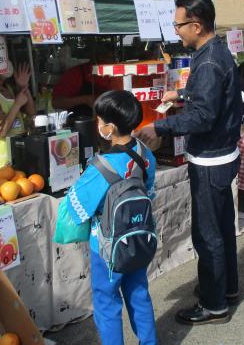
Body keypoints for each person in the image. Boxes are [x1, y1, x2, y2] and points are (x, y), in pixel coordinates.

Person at [136, 0, 242, 325]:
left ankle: (213, 304)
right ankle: (226, 288)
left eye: (179, 24)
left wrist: (160, 126)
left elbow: (203, 117)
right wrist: (180, 94)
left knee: (207, 233)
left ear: (196, 25)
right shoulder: (214, 52)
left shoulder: (208, 61)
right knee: (222, 228)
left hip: (211, 160)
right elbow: (213, 96)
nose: (176, 30)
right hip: (224, 155)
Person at [64, 90, 157, 344]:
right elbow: (151, 192)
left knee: (107, 303)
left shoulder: (100, 166)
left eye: (99, 120)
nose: (98, 124)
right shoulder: (146, 155)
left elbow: (75, 207)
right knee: (139, 294)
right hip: (139, 237)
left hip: (106, 247)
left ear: (110, 127)